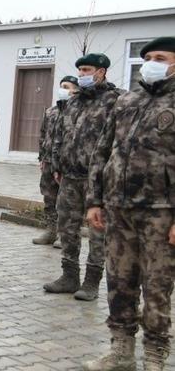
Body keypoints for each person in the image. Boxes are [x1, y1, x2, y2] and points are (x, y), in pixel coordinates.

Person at [81, 37, 175, 371]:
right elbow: (102, 151)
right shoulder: (127, 101)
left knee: (157, 287)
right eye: (147, 57)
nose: (151, 62)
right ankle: (121, 352)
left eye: (160, 57)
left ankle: (154, 356)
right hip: (118, 210)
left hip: (160, 214)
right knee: (119, 282)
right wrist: (95, 200)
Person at [46, 53, 124, 301]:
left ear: (101, 72)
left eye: (87, 70)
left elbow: (119, 142)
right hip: (70, 176)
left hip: (99, 180)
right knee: (66, 227)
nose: (82, 75)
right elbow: (61, 134)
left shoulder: (116, 100)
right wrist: (57, 163)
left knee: (98, 232)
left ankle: (91, 282)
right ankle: (69, 276)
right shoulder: (74, 101)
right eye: (79, 70)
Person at [33, 76, 78, 245]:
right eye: (61, 86)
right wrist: (42, 157)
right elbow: (43, 135)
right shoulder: (51, 112)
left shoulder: (76, 112)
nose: (62, 89)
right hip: (49, 162)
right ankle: (51, 230)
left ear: (75, 90)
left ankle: (64, 234)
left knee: (66, 200)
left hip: (67, 164)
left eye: (66, 86)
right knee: (49, 197)